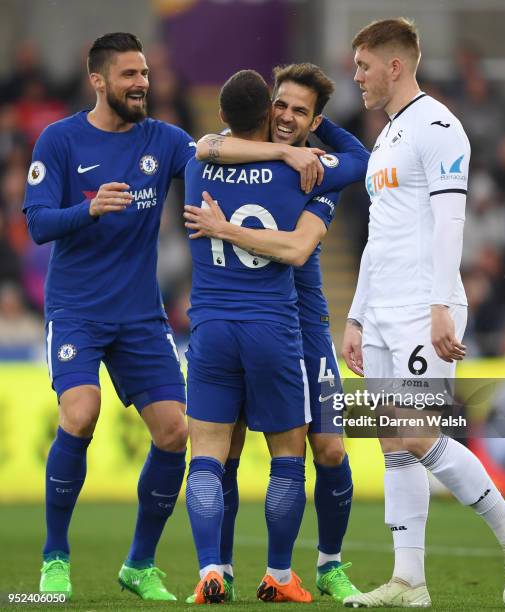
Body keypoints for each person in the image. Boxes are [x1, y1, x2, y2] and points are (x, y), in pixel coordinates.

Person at [340, 18, 505, 608]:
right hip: (381, 308)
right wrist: (356, 317)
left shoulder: (438, 126)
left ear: (394, 66)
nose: (357, 78)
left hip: (421, 305)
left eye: (363, 66)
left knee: (416, 429)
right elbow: (380, 236)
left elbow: (450, 221)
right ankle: (409, 581)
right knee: (393, 442)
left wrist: (439, 303)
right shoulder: (385, 137)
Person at [185, 62, 368, 603]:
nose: (287, 118)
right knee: (237, 451)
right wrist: (288, 150)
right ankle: (230, 568)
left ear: (316, 120)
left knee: (330, 449)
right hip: (270, 323)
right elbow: (206, 144)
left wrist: (308, 141)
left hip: (304, 327)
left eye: (301, 112)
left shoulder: (317, 170)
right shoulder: (292, 165)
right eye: (280, 106)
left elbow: (298, 246)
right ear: (266, 109)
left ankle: (330, 565)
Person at [23, 32, 195, 601]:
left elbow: (214, 156)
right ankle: (54, 557)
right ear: (98, 80)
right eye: (129, 75)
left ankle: (140, 565)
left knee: (175, 432)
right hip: (77, 310)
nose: (141, 83)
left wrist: (290, 152)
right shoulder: (60, 140)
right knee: (81, 411)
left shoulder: (163, 140)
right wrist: (89, 208)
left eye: (143, 73)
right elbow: (39, 223)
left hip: (141, 316)